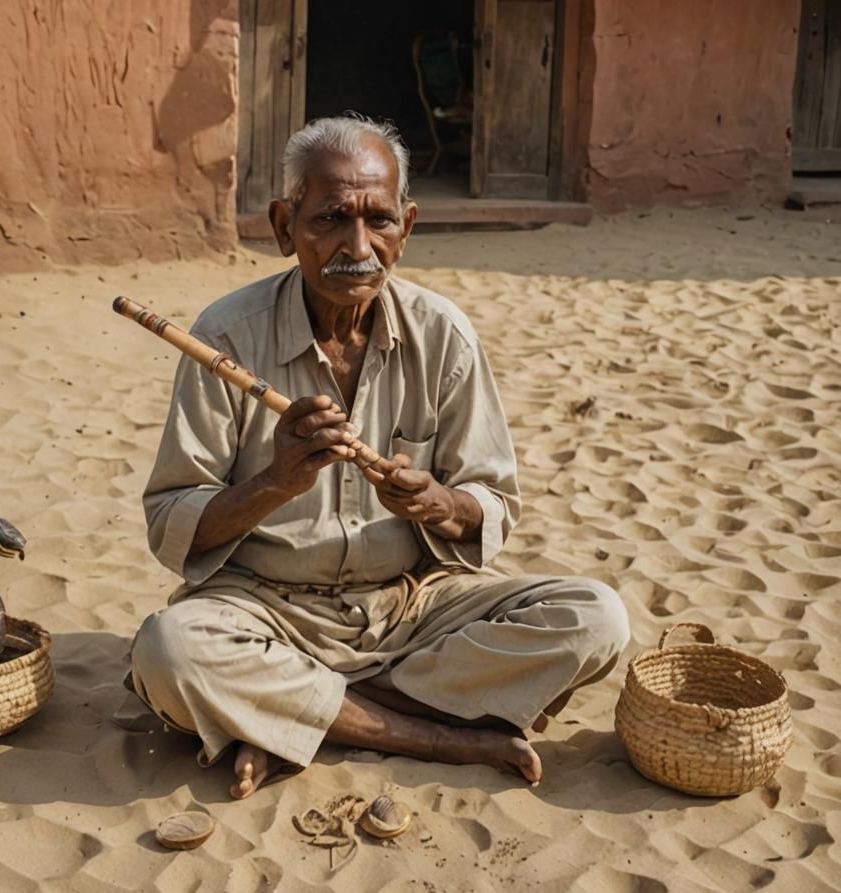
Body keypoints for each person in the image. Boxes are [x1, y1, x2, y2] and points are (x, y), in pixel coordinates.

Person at [126, 113, 630, 800]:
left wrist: (439, 503)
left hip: (413, 607)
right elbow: (170, 525)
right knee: (168, 653)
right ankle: (434, 735)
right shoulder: (227, 337)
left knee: (597, 618)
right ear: (283, 226)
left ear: (408, 228)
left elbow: (493, 504)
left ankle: (296, 716)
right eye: (330, 219)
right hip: (266, 609)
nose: (357, 247)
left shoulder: (444, 335)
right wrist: (275, 483)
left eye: (379, 221)